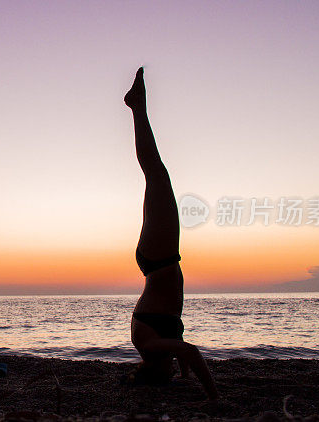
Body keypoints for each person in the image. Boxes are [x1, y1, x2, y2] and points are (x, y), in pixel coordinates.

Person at [124, 67, 218, 400]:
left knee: (157, 175)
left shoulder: (151, 348)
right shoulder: (158, 352)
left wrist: (213, 397)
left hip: (159, 258)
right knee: (157, 176)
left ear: (153, 370)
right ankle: (137, 107)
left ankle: (137, 107)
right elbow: (182, 355)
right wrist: (183, 375)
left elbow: (189, 350)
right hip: (156, 259)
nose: (171, 368)